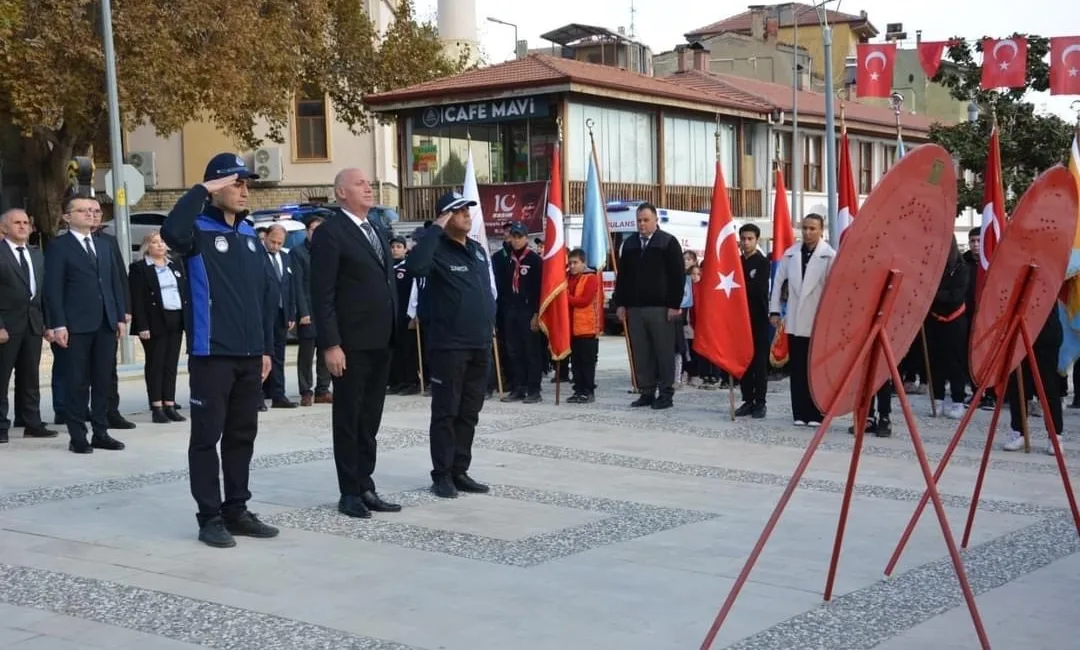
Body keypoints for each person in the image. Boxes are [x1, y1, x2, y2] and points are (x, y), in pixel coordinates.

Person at [162, 153, 278, 548]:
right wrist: (200, 190)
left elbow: (262, 296)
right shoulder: (195, 230)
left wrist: (265, 349)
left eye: (248, 184)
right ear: (215, 188)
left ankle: (237, 509)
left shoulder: (249, 236)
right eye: (236, 183)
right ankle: (209, 516)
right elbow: (170, 232)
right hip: (211, 353)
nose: (245, 190)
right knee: (206, 437)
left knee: (242, 434)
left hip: (249, 355)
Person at [310, 168, 401, 519]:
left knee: (370, 419)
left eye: (368, 183)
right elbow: (323, 294)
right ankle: (349, 491)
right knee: (349, 418)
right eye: (360, 184)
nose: (369, 188)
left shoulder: (375, 228)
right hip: (350, 344)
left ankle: (366, 484)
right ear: (341, 192)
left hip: (381, 340)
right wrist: (331, 343)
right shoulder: (331, 233)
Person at [406, 191, 495, 498]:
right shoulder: (435, 249)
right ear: (445, 217)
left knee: (470, 411)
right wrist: (434, 229)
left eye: (467, 210)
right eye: (458, 211)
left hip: (479, 343)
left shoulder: (477, 250)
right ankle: (441, 474)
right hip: (449, 346)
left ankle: (460, 469)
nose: (467, 215)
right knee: (446, 411)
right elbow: (414, 267)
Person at [44, 196, 128, 454]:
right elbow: (53, 289)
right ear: (68, 216)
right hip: (75, 325)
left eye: (95, 210)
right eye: (84, 210)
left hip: (104, 323)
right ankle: (77, 434)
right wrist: (57, 324)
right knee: (77, 382)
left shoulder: (103, 245)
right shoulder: (59, 247)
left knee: (103, 380)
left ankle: (101, 432)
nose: (91, 214)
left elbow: (113, 283)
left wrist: (119, 316)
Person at [612, 203, 685, 410]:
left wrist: (674, 304)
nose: (642, 224)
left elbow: (677, 276)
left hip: (660, 308)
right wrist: (620, 303)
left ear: (655, 220)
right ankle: (646, 391)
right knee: (641, 352)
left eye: (645, 220)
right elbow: (623, 277)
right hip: (635, 308)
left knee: (663, 352)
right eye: (639, 221)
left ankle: (665, 393)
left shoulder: (668, 242)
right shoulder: (630, 244)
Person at [769, 210, 835, 426]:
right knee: (797, 368)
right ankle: (799, 412)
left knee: (814, 369)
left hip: (818, 320)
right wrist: (775, 311)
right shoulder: (791, 254)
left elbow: (834, 290)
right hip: (796, 320)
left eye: (812, 228)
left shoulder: (829, 256)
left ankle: (816, 412)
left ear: (821, 231)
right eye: (805, 228)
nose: (807, 232)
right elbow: (778, 283)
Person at [0, 208, 57, 443]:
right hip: (7, 326)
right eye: (17, 223)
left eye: (26, 223)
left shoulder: (36, 254)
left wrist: (48, 324)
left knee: (30, 377)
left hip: (32, 324)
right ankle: (1, 425)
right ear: (4, 228)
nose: (23, 226)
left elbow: (43, 292)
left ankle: (31, 422)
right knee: (2, 377)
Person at [129, 230, 186, 423]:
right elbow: (137, 299)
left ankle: (169, 403)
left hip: (175, 317)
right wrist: (142, 325)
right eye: (154, 242)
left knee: (171, 364)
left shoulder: (174, 265)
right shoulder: (140, 268)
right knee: (156, 364)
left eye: (162, 242)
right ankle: (157, 405)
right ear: (147, 247)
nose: (160, 245)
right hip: (154, 321)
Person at [1002, 307, 1064, 454]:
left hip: (1046, 333)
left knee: (1048, 387)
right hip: (1019, 332)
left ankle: (1055, 435)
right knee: (1017, 386)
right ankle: (1018, 431)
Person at [493, 221, 543, 403]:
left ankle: (534, 389)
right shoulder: (507, 259)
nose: (515, 240)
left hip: (528, 311)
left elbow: (540, 290)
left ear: (526, 238)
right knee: (514, 351)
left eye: (519, 236)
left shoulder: (535, 260)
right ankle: (518, 387)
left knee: (531, 351)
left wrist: (537, 314)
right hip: (511, 310)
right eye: (513, 236)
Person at [289, 214, 332, 406]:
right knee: (306, 354)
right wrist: (303, 312)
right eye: (314, 229)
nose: (317, 233)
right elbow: (297, 285)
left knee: (326, 351)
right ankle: (306, 390)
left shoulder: (328, 251)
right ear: (307, 231)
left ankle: (323, 389)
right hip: (308, 310)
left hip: (326, 311)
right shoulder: (298, 253)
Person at [925, 237, 970, 419]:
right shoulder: (931, 268)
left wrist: (934, 294)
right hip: (933, 319)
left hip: (955, 321)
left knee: (955, 361)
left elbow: (956, 296)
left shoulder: (963, 269)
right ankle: (937, 398)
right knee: (935, 360)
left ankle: (958, 400)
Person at [261, 224, 298, 409]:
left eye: (279, 243)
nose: (275, 246)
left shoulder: (285, 257)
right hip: (263, 315)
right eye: (273, 242)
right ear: (265, 237)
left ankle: (278, 394)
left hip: (281, 315)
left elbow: (290, 287)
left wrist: (291, 313)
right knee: (262, 354)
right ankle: (257, 395)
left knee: (279, 356)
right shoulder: (257, 257)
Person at [737, 223, 770, 418]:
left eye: (750, 239)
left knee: (759, 363)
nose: (746, 242)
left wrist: (741, 285)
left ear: (757, 240)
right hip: (741, 320)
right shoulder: (736, 262)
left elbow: (759, 289)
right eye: (743, 239)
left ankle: (760, 402)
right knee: (744, 362)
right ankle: (747, 399)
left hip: (758, 318)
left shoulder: (762, 262)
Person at [566, 248, 601, 403]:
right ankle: (578, 390)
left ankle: (588, 391)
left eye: (575, 263)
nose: (572, 266)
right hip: (572, 329)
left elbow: (584, 301)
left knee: (587, 363)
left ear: (583, 263)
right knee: (575, 362)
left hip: (587, 328)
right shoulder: (567, 278)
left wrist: (564, 298)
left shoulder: (591, 278)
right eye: (570, 263)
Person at [388, 236, 420, 395]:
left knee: (408, 350)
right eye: (393, 246)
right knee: (394, 350)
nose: (395, 249)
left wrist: (413, 315)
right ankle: (397, 381)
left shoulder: (409, 268)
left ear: (405, 249)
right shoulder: (387, 267)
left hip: (405, 314)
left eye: (399, 246)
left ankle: (411, 381)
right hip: (390, 315)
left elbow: (414, 293)